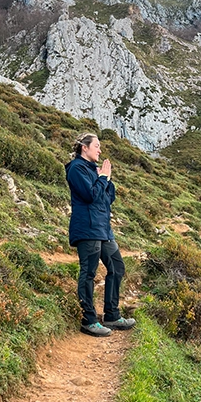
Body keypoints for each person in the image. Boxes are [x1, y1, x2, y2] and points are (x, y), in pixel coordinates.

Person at [65, 133, 136, 337]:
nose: (100, 150)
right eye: (97, 146)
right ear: (84, 148)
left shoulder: (92, 170)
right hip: (87, 228)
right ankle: (89, 320)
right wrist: (102, 177)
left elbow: (107, 198)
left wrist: (106, 178)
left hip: (103, 228)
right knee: (88, 272)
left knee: (117, 267)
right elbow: (90, 196)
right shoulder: (76, 169)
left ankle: (112, 315)